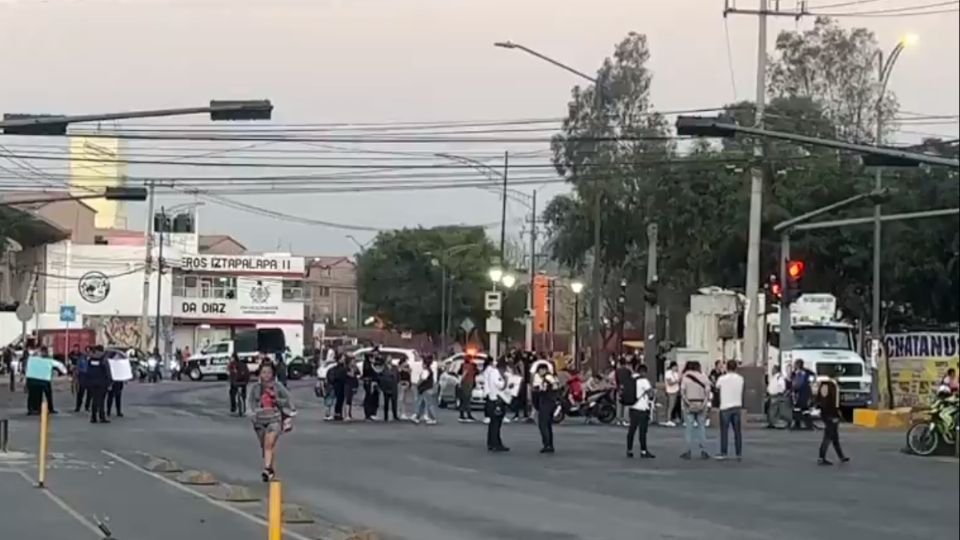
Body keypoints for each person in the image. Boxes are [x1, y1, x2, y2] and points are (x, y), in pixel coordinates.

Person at [248, 362, 296, 482]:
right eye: (264, 372)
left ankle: (266, 469)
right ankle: (270, 469)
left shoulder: (278, 387)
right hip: (259, 421)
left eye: (269, 372)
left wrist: (276, 398)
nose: (266, 375)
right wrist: (252, 414)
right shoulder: (255, 388)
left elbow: (288, 400)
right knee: (265, 446)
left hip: (274, 419)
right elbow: (250, 404)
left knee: (269, 444)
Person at [679, 361, 711, 460]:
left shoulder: (685, 378)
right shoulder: (704, 377)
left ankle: (688, 451)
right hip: (701, 402)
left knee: (689, 428)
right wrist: (704, 403)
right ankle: (703, 450)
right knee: (702, 428)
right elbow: (707, 392)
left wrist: (687, 402)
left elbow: (682, 392)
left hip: (689, 403)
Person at [817, 372, 849, 466]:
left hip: (829, 413)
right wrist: (833, 415)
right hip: (830, 414)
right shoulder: (829, 385)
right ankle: (821, 457)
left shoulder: (827, 385)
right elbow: (827, 402)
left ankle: (841, 456)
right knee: (828, 436)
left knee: (834, 437)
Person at [715, 360, 744, 461]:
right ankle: (738, 453)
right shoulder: (740, 378)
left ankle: (724, 452)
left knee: (724, 431)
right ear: (736, 368)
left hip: (725, 406)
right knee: (737, 432)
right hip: (737, 405)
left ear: (727, 367)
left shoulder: (722, 378)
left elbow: (717, 387)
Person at [626, 364, 655, 459]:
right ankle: (643, 451)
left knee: (631, 430)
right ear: (644, 372)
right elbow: (650, 393)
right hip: (642, 408)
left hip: (632, 406)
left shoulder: (631, 379)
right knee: (642, 431)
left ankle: (629, 450)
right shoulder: (644, 381)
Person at [25, 347, 65, 415]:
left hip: (34, 379)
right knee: (39, 394)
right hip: (43, 380)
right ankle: (37, 409)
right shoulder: (46, 360)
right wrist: (65, 371)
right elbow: (59, 365)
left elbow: (27, 368)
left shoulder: (33, 359)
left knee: (34, 395)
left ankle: (34, 409)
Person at [482, 358, 509, 452]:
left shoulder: (492, 372)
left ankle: (491, 443)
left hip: (492, 399)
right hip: (496, 400)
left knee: (493, 424)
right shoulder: (496, 373)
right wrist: (506, 380)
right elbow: (500, 385)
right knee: (496, 424)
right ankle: (495, 443)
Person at [532, 362, 559, 453]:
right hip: (550, 403)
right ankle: (549, 444)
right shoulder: (550, 378)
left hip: (546, 403)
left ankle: (547, 444)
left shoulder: (547, 378)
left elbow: (551, 387)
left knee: (543, 424)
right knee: (547, 424)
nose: (540, 372)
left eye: (541, 370)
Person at [85, 346, 110, 424]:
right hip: (102, 382)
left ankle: (93, 417)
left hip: (92, 382)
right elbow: (107, 372)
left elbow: (88, 371)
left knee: (94, 400)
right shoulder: (104, 360)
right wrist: (109, 382)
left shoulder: (90, 359)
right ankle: (102, 417)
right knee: (101, 400)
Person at [413, 355, 438, 425]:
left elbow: (422, 379)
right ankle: (417, 417)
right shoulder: (429, 370)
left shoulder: (426, 371)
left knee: (429, 404)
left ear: (425, 364)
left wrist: (417, 384)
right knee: (422, 404)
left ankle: (433, 418)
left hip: (426, 389)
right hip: (428, 389)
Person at [791, 359, 815, 430]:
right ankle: (797, 424)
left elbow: (813, 377)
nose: (795, 365)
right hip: (797, 392)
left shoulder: (807, 372)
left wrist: (809, 383)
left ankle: (809, 425)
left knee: (805, 409)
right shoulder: (794, 372)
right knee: (797, 409)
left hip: (804, 392)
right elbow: (793, 381)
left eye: (796, 364)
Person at [458, 355, 478, 422]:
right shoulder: (471, 366)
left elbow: (459, 372)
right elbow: (476, 373)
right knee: (466, 399)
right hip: (467, 384)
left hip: (466, 384)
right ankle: (467, 415)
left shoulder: (464, 365)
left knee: (464, 399)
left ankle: (462, 414)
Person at [72, 346, 91, 413]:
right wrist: (76, 375)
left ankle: (87, 406)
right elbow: (77, 367)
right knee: (80, 393)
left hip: (90, 377)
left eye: (89, 351)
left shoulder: (92, 359)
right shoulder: (81, 358)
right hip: (82, 376)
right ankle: (78, 407)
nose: (87, 353)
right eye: (86, 351)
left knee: (90, 393)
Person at [329, 354, 348, 421]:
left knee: (340, 399)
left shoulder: (341, 367)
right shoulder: (340, 367)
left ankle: (338, 413)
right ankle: (337, 413)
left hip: (340, 384)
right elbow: (340, 376)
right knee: (339, 399)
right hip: (339, 385)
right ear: (339, 359)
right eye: (342, 358)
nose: (344, 359)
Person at [614, 357, 632, 427]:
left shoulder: (617, 371)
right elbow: (630, 379)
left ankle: (618, 420)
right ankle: (625, 420)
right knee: (626, 405)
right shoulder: (628, 371)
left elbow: (616, 380)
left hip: (619, 389)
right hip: (626, 389)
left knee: (619, 405)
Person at [663, 361, 681, 427]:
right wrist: (676, 381)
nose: (676, 368)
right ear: (673, 366)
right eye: (676, 366)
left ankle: (672, 418)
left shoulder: (676, 373)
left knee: (674, 405)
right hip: (670, 391)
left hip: (676, 390)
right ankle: (668, 419)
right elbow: (670, 383)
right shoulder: (668, 373)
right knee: (670, 405)